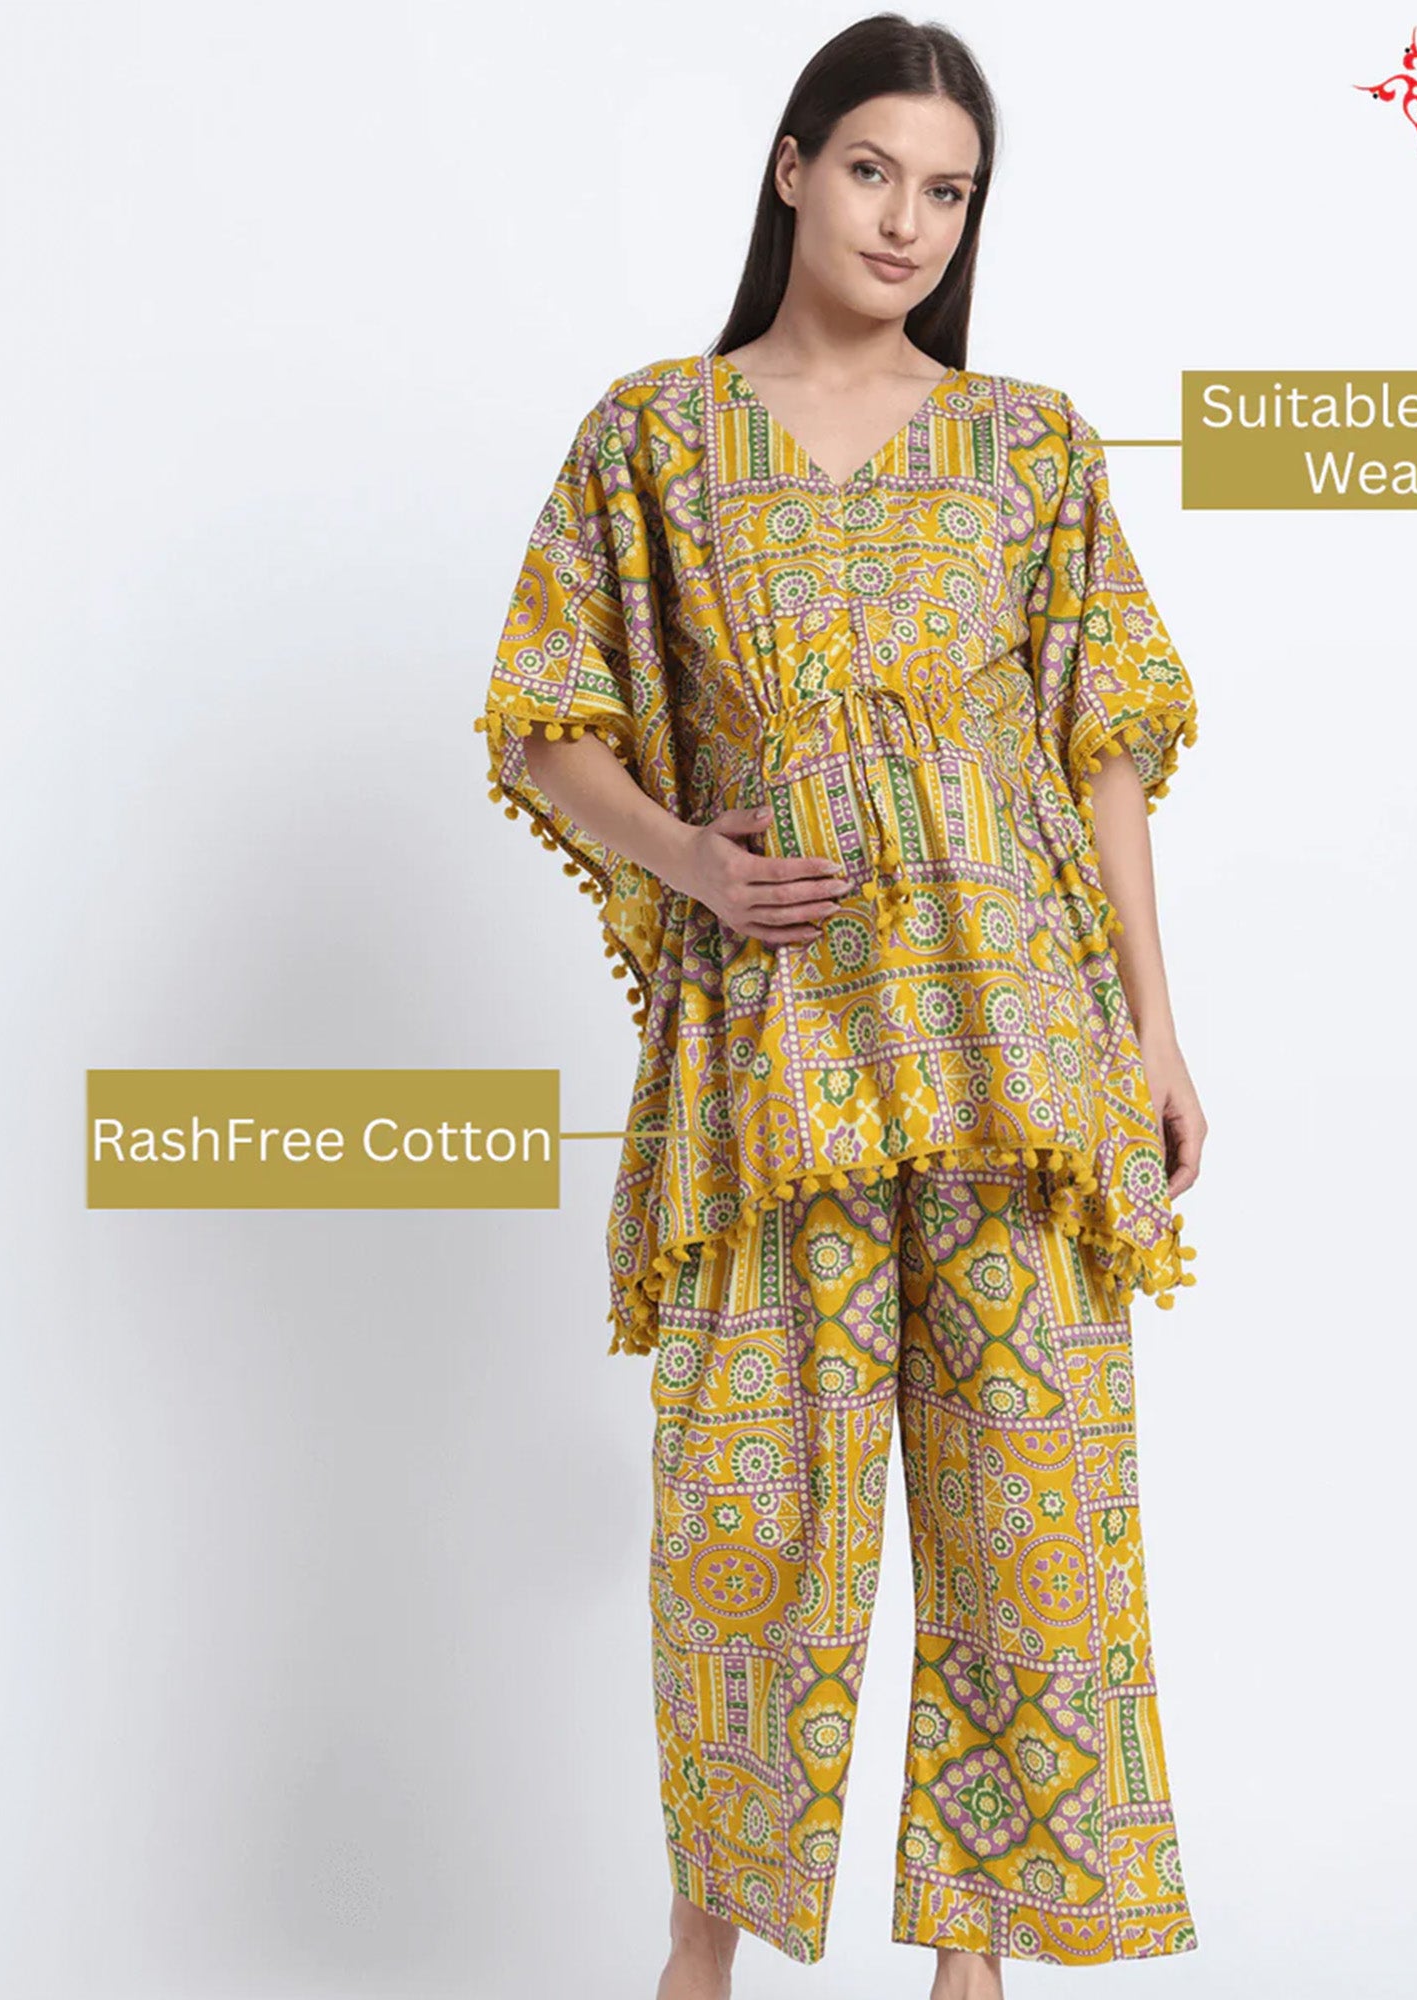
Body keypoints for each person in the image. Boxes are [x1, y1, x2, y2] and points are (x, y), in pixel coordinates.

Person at [473, 16, 1205, 1995]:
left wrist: (1150, 1026)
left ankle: (974, 1972)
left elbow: (1104, 745)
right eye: (873, 169)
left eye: (947, 190)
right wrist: (688, 859)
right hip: (773, 1054)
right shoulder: (654, 435)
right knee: (751, 1520)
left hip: (1015, 1049)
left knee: (1022, 1514)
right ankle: (697, 1962)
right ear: (792, 168)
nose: (906, 220)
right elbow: (544, 717)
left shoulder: (1032, 445)